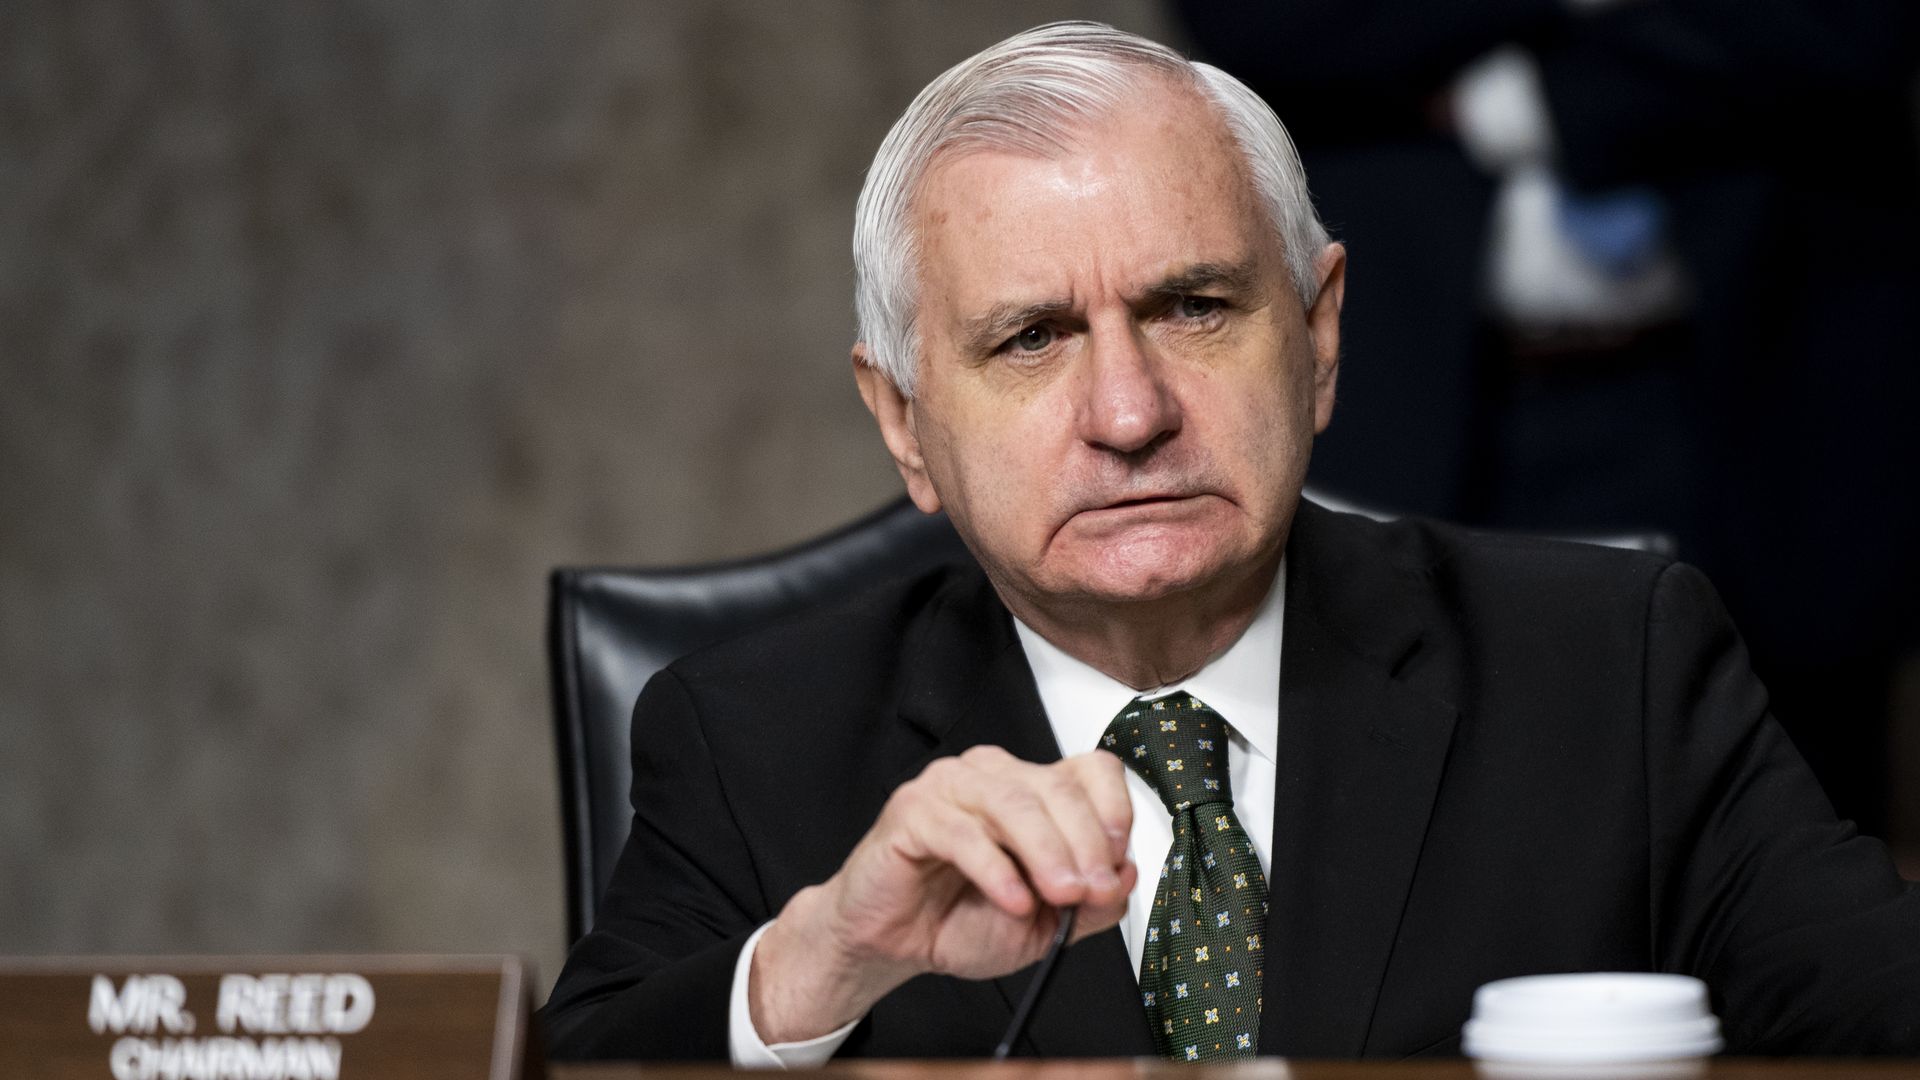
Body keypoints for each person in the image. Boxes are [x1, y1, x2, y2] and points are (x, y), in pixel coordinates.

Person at [541, 22, 1919, 1062]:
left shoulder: (1611, 667)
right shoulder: (752, 740)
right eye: (1030, 339)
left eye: (1194, 307)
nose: (1130, 414)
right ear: (904, 422)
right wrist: (820, 963)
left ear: (1318, 337)